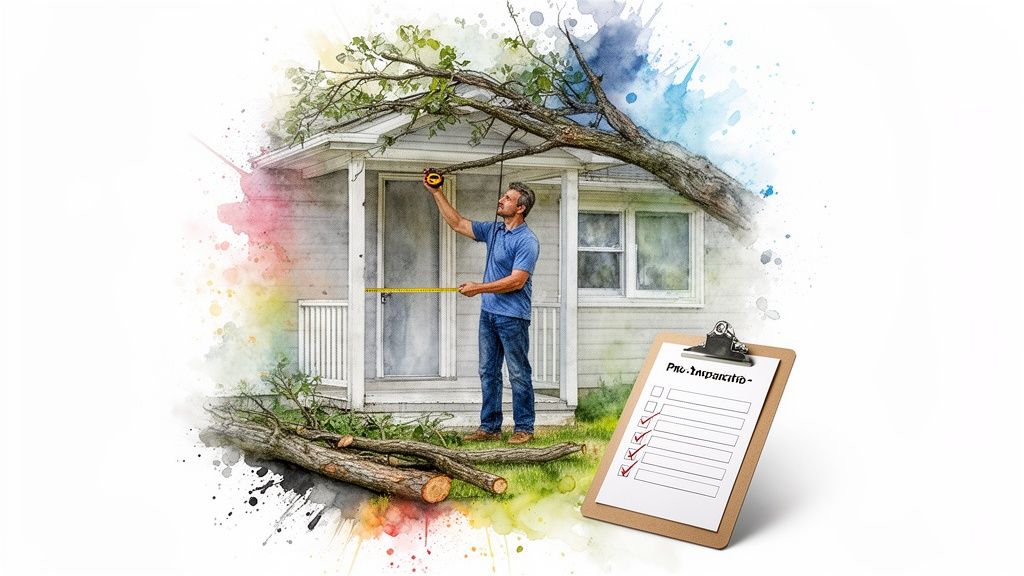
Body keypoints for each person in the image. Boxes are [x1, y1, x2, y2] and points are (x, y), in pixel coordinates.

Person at [422, 170, 540, 445]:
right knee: (488, 371)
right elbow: (458, 224)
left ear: (520, 208)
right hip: (489, 314)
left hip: (513, 317)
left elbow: (517, 281)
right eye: (503, 196)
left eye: (507, 198)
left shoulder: (527, 240)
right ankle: (489, 427)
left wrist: (479, 288)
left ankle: (524, 427)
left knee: (519, 372)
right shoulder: (495, 230)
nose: (501, 200)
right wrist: (437, 193)